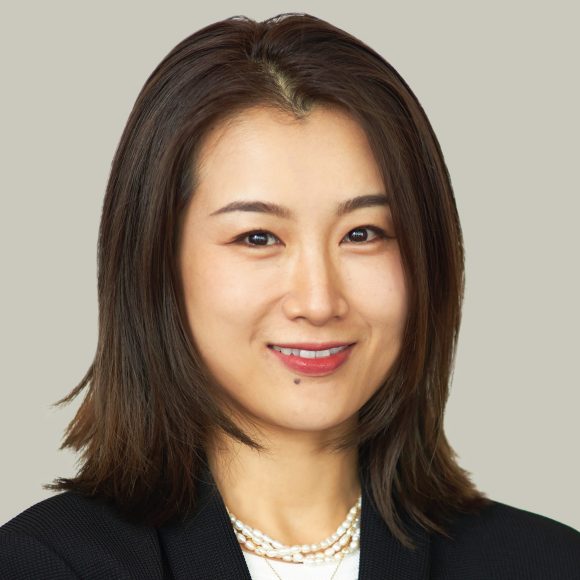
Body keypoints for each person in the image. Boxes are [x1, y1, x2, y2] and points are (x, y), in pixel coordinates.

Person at [1, 11, 579, 580]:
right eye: (258, 237)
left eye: (363, 234)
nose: (319, 301)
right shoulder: (45, 565)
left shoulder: (548, 562)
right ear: (156, 263)